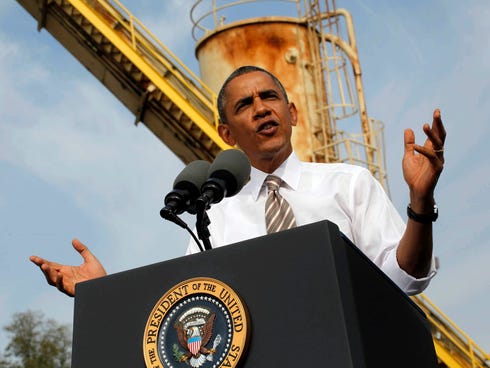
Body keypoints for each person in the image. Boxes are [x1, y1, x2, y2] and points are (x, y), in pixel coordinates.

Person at [30, 66, 446, 296]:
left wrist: (420, 203)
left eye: (270, 98)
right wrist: (103, 294)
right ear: (227, 134)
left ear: (293, 113)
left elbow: (403, 279)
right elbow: (196, 307)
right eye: (245, 104)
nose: (262, 109)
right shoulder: (213, 211)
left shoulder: (348, 183)